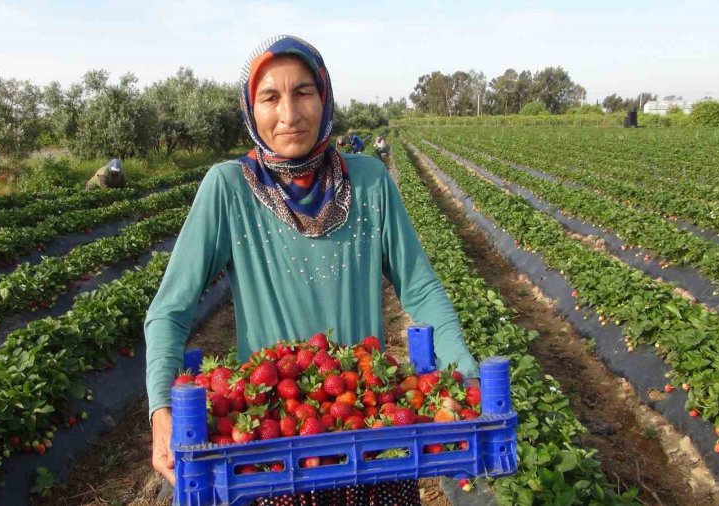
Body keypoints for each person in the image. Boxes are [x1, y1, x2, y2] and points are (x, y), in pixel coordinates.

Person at [144, 35, 479, 506]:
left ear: (324, 95)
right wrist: (161, 406)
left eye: (303, 92)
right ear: (249, 109)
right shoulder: (228, 189)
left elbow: (419, 288)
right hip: (271, 439)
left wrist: (462, 372)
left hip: (365, 427)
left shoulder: (368, 182)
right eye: (270, 97)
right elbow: (171, 309)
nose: (289, 114)